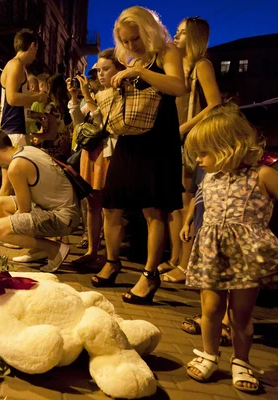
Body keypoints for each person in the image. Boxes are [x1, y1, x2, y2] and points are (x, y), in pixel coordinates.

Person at [181, 107, 278, 394]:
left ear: (228, 148)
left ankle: (241, 360)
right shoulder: (210, 177)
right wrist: (188, 221)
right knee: (210, 309)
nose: (199, 160)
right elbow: (197, 201)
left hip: (246, 255)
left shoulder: (262, 174)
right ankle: (209, 354)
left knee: (241, 315)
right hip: (213, 250)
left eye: (203, 153)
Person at [95, 6, 186, 304]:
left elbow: (177, 86)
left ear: (147, 31)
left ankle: (149, 276)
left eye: (135, 38)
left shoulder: (167, 52)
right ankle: (112, 261)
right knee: (112, 202)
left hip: (159, 139)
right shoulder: (137, 59)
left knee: (153, 208)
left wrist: (138, 71)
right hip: (132, 137)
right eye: (126, 41)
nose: (131, 46)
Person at [160, 16, 222, 283]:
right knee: (174, 203)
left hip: (192, 141)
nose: (176, 36)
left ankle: (185, 265)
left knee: (188, 204)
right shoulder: (176, 66)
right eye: (176, 31)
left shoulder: (201, 65)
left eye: (182, 33)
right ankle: (175, 258)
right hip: (173, 139)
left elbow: (214, 104)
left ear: (195, 37)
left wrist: (185, 127)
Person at [0, 128, 78, 272]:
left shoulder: (16, 166)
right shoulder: (26, 150)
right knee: (0, 204)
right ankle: (38, 250)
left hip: (62, 218)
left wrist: (2, 230)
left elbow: (24, 209)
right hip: (58, 209)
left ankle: (54, 249)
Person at [71, 49, 125, 268]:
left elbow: (104, 123)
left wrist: (86, 97)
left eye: (106, 69)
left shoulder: (121, 93)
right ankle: (92, 250)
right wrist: (77, 98)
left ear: (119, 69)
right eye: (98, 70)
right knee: (92, 202)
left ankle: (111, 257)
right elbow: (78, 122)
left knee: (109, 206)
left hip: (108, 152)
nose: (101, 75)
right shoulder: (96, 96)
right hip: (91, 150)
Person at [0, 28, 48, 196]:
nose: (36, 55)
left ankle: (1, 220)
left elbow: (16, 97)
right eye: (37, 49)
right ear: (33, 46)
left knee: (8, 185)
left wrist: (35, 97)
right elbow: (12, 98)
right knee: (12, 186)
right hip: (13, 131)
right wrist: (37, 98)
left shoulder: (16, 66)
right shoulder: (15, 65)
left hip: (12, 130)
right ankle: (0, 221)